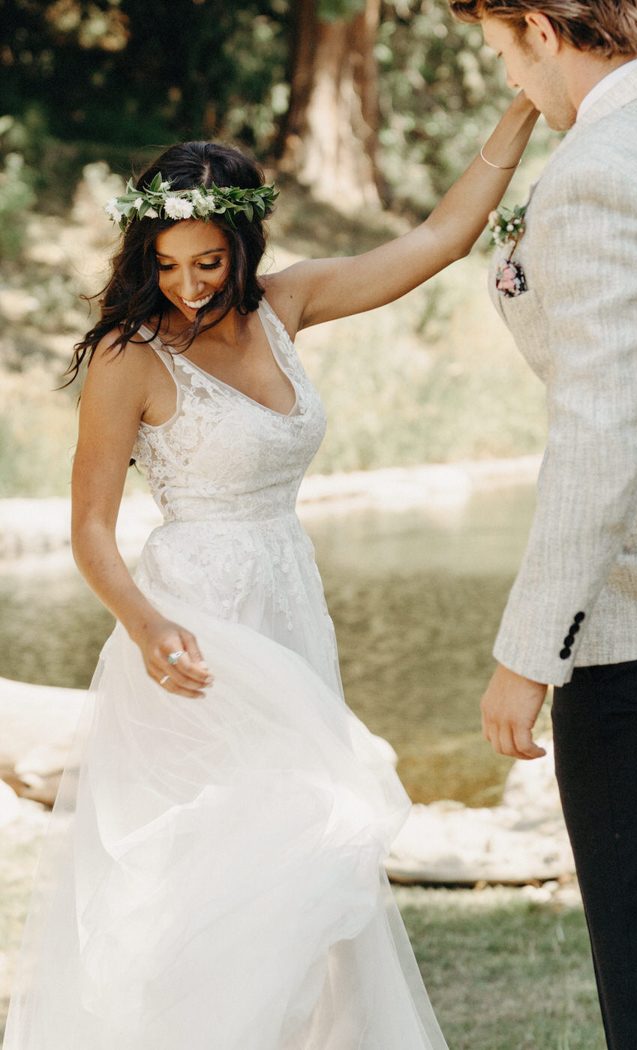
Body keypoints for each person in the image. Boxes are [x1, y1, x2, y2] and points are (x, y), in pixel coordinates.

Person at [2, 91, 537, 1048]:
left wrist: (524, 109)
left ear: (245, 248)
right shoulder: (130, 357)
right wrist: (145, 622)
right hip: (193, 630)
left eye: (209, 262)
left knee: (305, 870)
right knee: (254, 858)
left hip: (287, 599)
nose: (190, 285)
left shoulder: (288, 304)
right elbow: (89, 528)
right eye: (167, 265)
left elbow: (443, 238)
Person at [448, 1, 637, 1047]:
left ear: (541, 30)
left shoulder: (598, 176)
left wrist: (525, 652)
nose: (513, 80)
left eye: (504, 50)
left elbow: (603, 434)